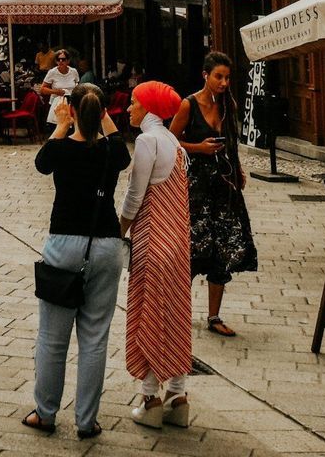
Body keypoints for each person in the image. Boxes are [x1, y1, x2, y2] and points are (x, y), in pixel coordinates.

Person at [25, 83, 130, 440]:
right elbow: (121, 150)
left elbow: (42, 163)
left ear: (70, 109)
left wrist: (61, 124)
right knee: (95, 338)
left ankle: (46, 412)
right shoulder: (112, 152)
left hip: (64, 243)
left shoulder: (61, 150)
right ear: (102, 112)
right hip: (106, 245)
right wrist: (101, 116)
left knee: (53, 339)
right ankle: (87, 421)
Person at [121, 80, 194, 430]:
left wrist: (119, 230)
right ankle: (177, 396)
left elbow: (135, 197)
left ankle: (149, 397)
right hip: (178, 243)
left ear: (149, 107)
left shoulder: (146, 141)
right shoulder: (175, 143)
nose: (128, 108)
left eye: (134, 102)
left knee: (148, 313)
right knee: (175, 314)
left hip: (153, 240)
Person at [171, 52, 258, 336]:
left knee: (223, 247)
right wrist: (199, 148)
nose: (223, 82)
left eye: (227, 77)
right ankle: (176, 312)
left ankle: (213, 316)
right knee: (194, 247)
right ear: (205, 75)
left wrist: (239, 169)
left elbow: (231, 141)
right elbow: (171, 140)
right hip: (196, 187)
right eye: (218, 76)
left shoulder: (227, 105)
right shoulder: (189, 104)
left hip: (224, 185)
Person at [40, 49, 80, 125]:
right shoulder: (52, 72)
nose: (61, 61)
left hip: (71, 104)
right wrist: (56, 92)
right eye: (58, 59)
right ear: (56, 61)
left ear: (68, 61)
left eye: (63, 59)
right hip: (57, 105)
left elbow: (77, 84)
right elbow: (42, 89)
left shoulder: (73, 71)